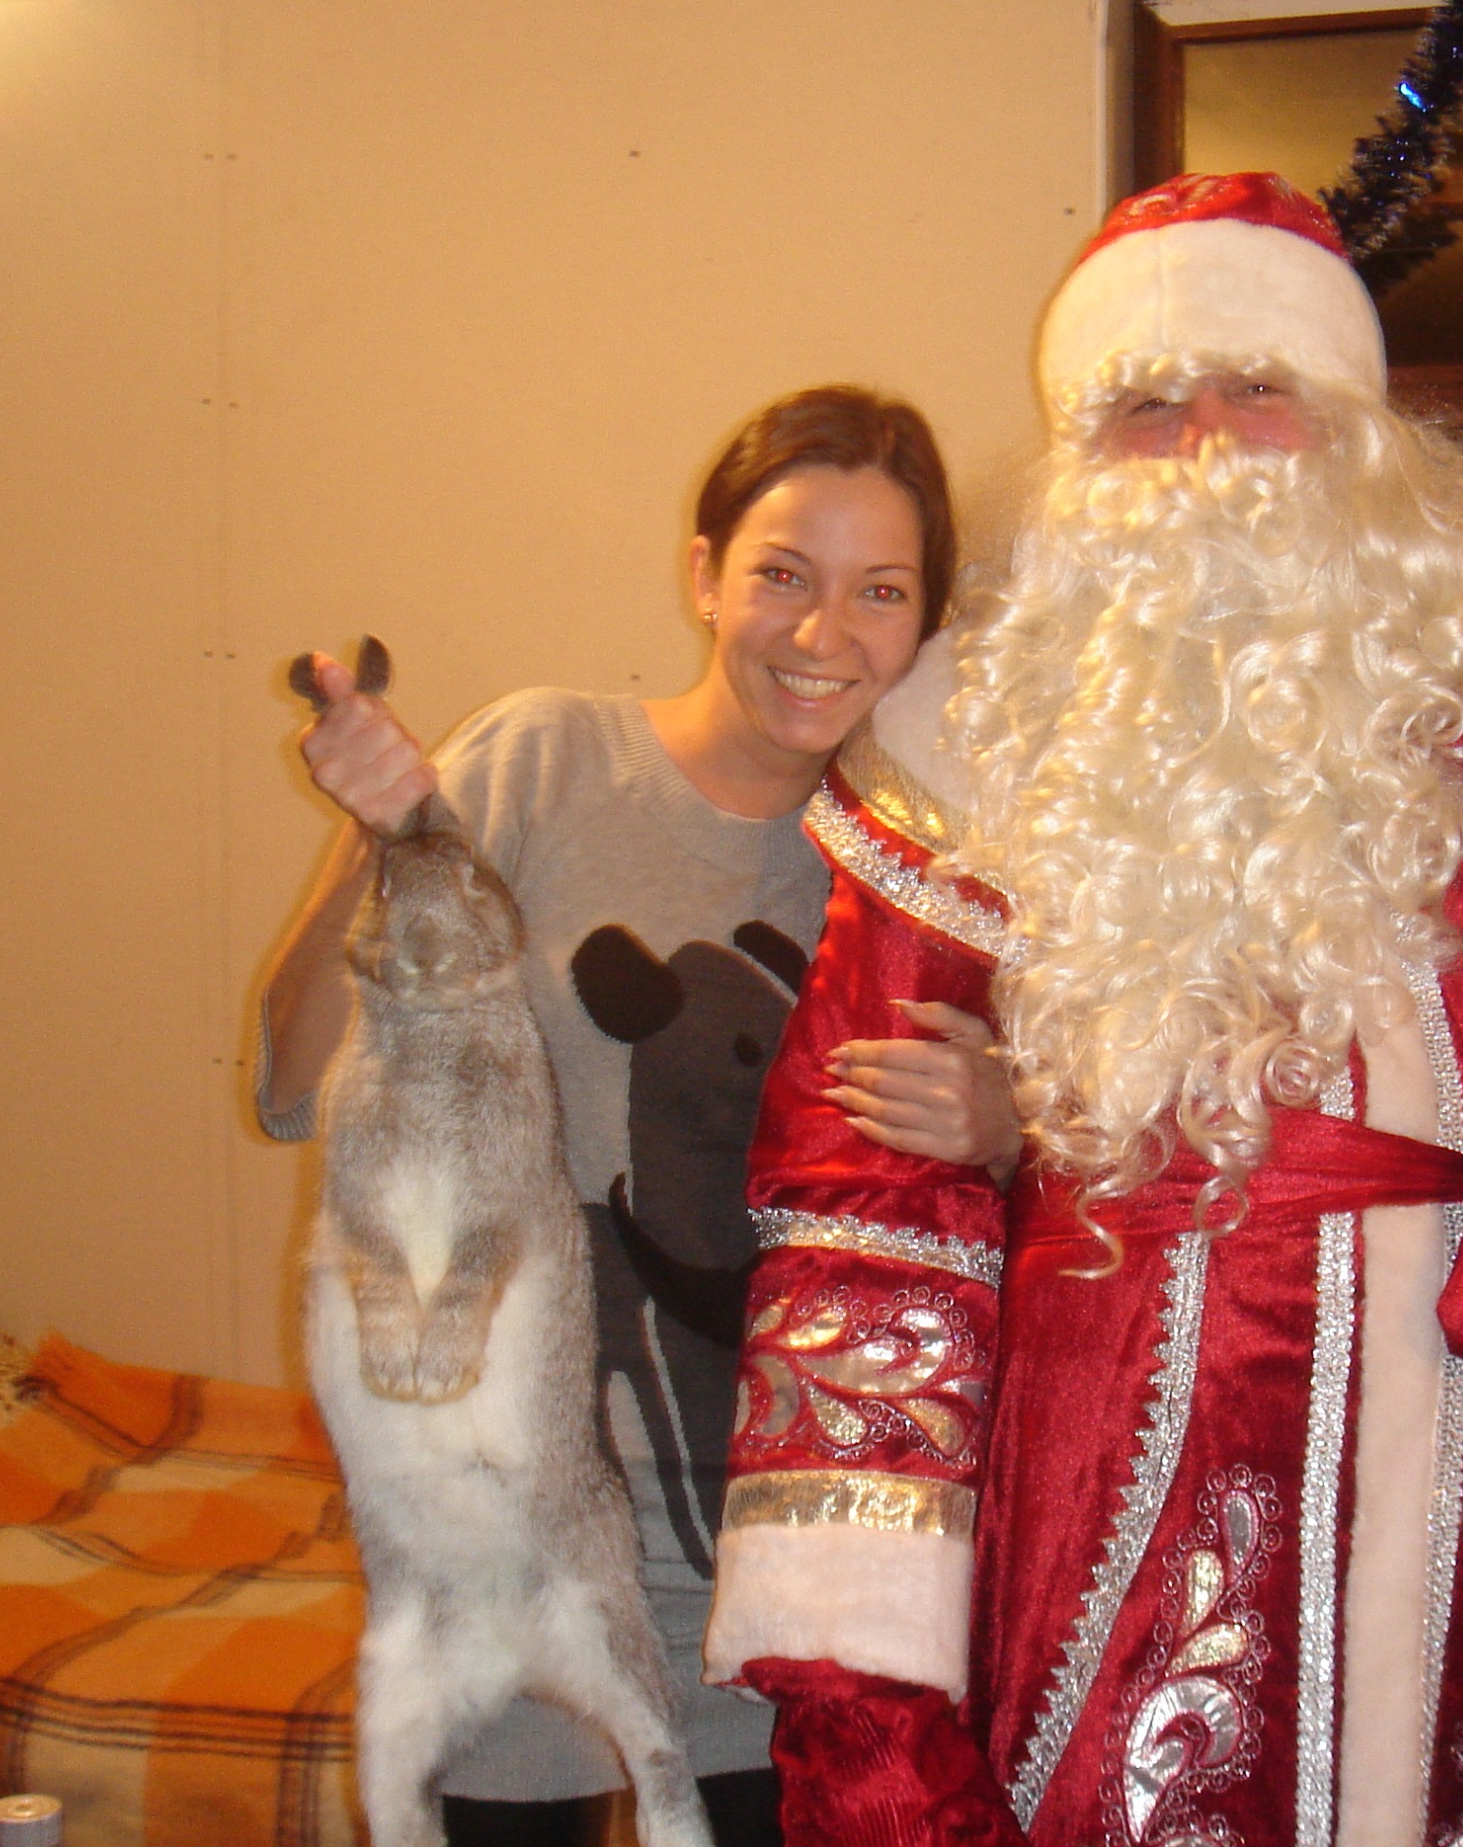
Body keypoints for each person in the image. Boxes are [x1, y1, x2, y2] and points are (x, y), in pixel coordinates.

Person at [702, 176, 1463, 1847]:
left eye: (1257, 385)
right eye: (1144, 404)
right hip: (1107, 1524)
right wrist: (862, 1687)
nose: (1204, 441)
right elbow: (867, 1238)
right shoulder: (974, 748)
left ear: (1362, 426)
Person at [257, 385, 1008, 1847]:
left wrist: (1005, 1123)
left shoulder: (930, 867)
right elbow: (293, 1083)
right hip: (519, 1557)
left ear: (926, 623)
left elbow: (1066, 1207)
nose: (822, 632)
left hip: (794, 1579)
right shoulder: (540, 762)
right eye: (782, 572)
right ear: (704, 573)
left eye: (881, 590)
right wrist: (381, 842)